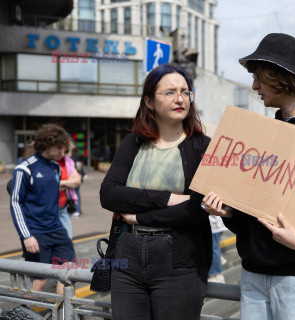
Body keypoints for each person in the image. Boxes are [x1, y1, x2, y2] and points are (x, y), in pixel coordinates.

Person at [203, 33, 295, 320]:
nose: (254, 86)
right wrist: (228, 213)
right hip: (254, 277)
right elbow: (255, 219)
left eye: (259, 77)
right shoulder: (265, 133)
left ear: (281, 77)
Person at [99, 63, 211, 320]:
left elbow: (197, 208)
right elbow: (109, 194)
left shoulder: (202, 147)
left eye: (185, 91)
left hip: (180, 260)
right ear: (149, 101)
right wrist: (167, 198)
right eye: (170, 92)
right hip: (126, 256)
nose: (180, 98)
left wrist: (140, 217)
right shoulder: (133, 142)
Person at [9, 124, 76, 295]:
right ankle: (22, 313)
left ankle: (65, 315)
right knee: (40, 280)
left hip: (57, 230)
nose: (64, 150)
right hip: (36, 234)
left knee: (68, 274)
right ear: (47, 144)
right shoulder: (24, 169)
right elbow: (16, 203)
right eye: (60, 147)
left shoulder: (55, 168)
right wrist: (26, 236)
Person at [57, 139, 82, 239]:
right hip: (48, 210)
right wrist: (68, 183)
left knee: (67, 240)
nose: (63, 153)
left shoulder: (68, 162)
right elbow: (48, 185)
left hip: (64, 208)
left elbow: (76, 181)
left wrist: (61, 183)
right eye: (61, 150)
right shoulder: (48, 162)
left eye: (66, 151)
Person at [208, 215, 228, 283]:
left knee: (213, 248)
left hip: (214, 225)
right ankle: (219, 260)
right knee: (214, 248)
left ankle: (217, 274)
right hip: (215, 225)